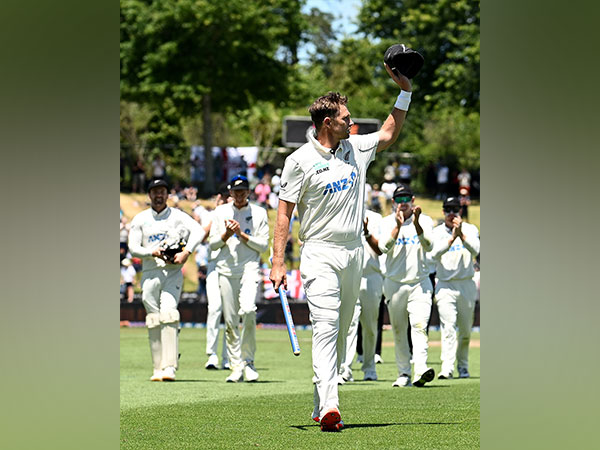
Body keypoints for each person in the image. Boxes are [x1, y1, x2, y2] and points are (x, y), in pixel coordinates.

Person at [269, 63, 413, 432]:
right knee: (326, 327)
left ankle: (320, 402)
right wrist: (278, 263)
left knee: (343, 327)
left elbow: (388, 133)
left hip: (354, 253)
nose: (352, 124)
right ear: (326, 122)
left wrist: (405, 91)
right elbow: (283, 214)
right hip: (318, 252)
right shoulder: (298, 161)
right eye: (345, 118)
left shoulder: (356, 148)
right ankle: (332, 407)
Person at [128, 179, 206, 382]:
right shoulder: (140, 219)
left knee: (169, 314)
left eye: (162, 191)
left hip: (172, 271)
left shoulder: (178, 216)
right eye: (155, 192)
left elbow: (198, 231)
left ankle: (170, 367)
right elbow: (133, 247)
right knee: (154, 319)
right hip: (150, 272)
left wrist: (187, 252)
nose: (158, 195)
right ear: (149, 195)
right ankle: (157, 367)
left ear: (168, 194)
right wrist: (151, 252)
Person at [209, 175, 269, 382]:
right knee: (231, 321)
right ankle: (235, 366)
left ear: (249, 192)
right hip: (226, 270)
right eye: (236, 192)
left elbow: (263, 246)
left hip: (249, 268)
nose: (240, 195)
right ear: (230, 193)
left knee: (249, 310)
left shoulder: (259, 213)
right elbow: (213, 245)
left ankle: (249, 362)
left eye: (243, 191)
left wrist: (241, 235)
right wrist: (226, 234)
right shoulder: (220, 212)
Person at [378, 184, 435, 388]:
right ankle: (403, 373)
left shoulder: (426, 220)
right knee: (399, 330)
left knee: (419, 327)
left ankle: (420, 368)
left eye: (406, 199)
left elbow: (429, 245)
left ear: (412, 201)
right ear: (393, 203)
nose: (403, 204)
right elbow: (383, 247)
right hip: (394, 284)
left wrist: (417, 223)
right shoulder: (386, 223)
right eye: (399, 200)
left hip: (420, 283)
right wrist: (398, 226)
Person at [430, 197, 480, 379]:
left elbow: (476, 250)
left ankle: (463, 366)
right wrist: (452, 239)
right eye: (448, 210)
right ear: (443, 212)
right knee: (448, 327)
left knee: (465, 330)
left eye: (455, 210)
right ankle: (447, 368)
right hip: (445, 285)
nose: (452, 213)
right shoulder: (436, 232)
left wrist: (462, 236)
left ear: (461, 211)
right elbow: (433, 255)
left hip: (466, 283)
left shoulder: (471, 229)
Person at [339, 209, 385, 383]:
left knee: (371, 326)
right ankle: (344, 369)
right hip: (349, 275)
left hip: (371, 275)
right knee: (349, 323)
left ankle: (369, 367)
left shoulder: (375, 217)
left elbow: (380, 249)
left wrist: (366, 232)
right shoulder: (342, 210)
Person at [203, 186, 231, 370]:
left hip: (233, 267)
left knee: (231, 313)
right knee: (214, 308)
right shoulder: (214, 215)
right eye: (227, 196)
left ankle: (228, 356)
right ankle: (212, 354)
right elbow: (203, 234)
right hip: (214, 265)